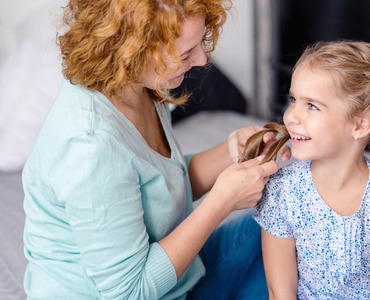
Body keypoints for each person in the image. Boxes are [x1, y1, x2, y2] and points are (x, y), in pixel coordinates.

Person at [22, 0, 291, 299]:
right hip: (139, 291)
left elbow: (159, 188)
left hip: (178, 281)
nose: (202, 60)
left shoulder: (135, 85)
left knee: (291, 228)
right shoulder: (89, 148)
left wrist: (231, 150)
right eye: (187, 53)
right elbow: (130, 292)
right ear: (132, 51)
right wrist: (222, 201)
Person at [242, 41, 370, 299]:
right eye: (293, 99)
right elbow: (280, 292)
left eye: (312, 105)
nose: (291, 116)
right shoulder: (283, 192)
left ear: (360, 125)